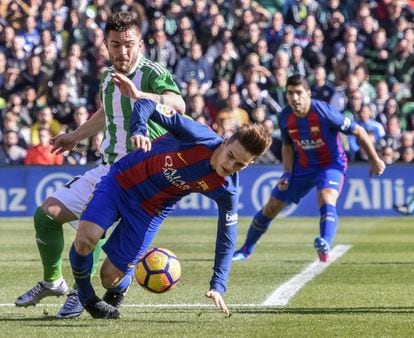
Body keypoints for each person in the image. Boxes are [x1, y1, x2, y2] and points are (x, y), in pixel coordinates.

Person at [15, 11, 185, 319]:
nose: (123, 51)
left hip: (141, 179)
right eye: (116, 44)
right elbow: (105, 114)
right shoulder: (108, 79)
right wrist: (75, 136)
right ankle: (53, 282)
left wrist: (140, 95)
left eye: (129, 44)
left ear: (141, 45)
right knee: (46, 215)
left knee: (95, 242)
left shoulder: (151, 74)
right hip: (107, 168)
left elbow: (178, 105)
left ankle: (84, 294)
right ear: (106, 45)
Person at [69, 97, 272, 319]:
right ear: (225, 142)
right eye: (231, 156)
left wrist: (218, 285)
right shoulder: (196, 135)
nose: (229, 165)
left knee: (109, 278)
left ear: (250, 164)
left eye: (240, 165)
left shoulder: (227, 190)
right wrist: (139, 130)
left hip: (150, 211)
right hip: (121, 182)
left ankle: (120, 288)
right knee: (86, 238)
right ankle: (87, 297)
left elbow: (227, 236)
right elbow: (145, 104)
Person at [232, 75, 386, 263]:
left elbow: (359, 131)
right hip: (302, 168)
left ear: (308, 94)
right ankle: (245, 250)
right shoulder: (285, 117)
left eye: (299, 93)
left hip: (331, 164)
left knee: (327, 197)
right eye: (290, 93)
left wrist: (374, 160)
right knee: (271, 207)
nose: (295, 98)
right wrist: (287, 173)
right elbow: (287, 146)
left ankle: (325, 244)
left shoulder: (324, 112)